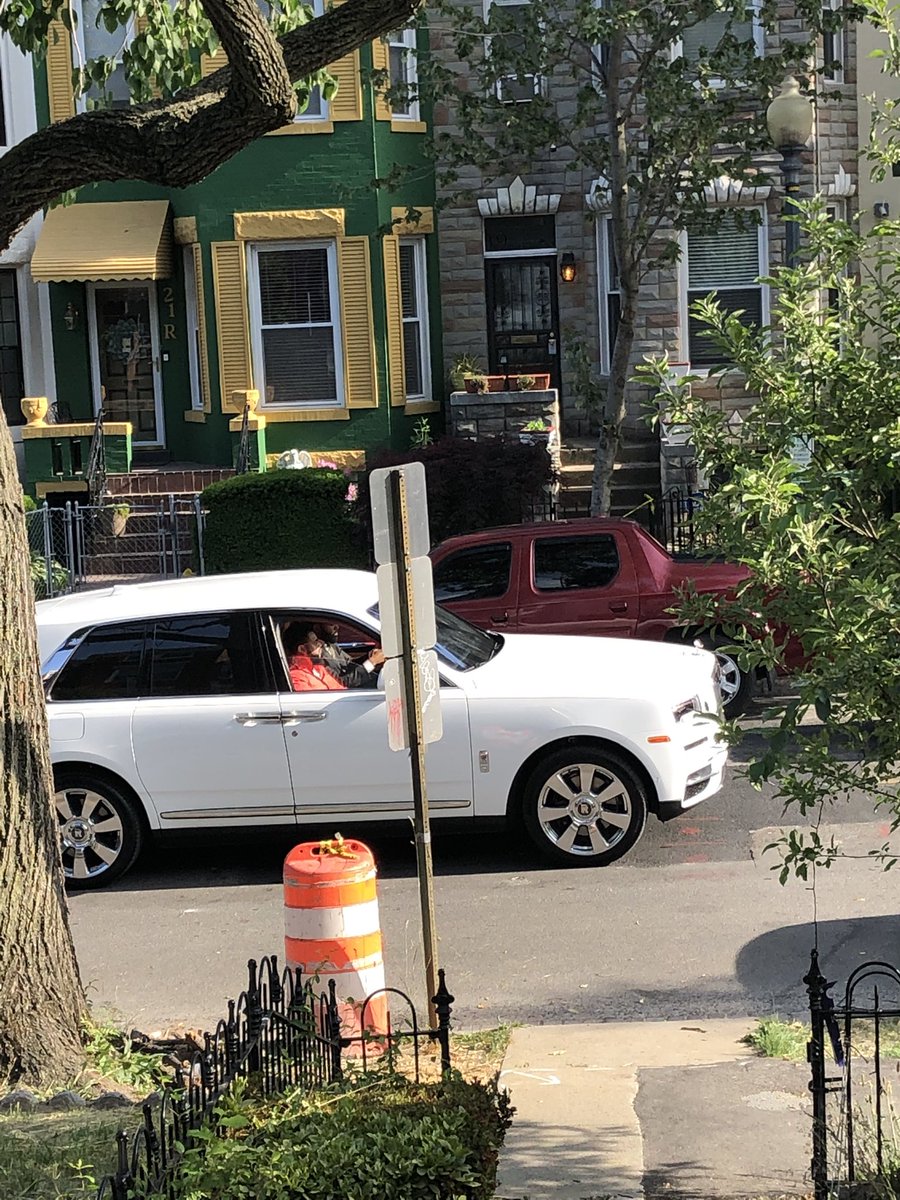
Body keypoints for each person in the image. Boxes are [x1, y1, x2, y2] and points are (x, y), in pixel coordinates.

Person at [316, 621, 385, 689]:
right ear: (317, 628)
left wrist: (370, 656)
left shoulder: (331, 646)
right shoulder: (317, 658)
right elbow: (342, 682)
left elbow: (350, 663)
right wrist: (372, 662)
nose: (336, 627)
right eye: (331, 624)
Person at [282, 623, 345, 692]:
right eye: (315, 641)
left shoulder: (320, 669)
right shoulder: (296, 676)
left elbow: (342, 691)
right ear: (302, 649)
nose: (321, 642)